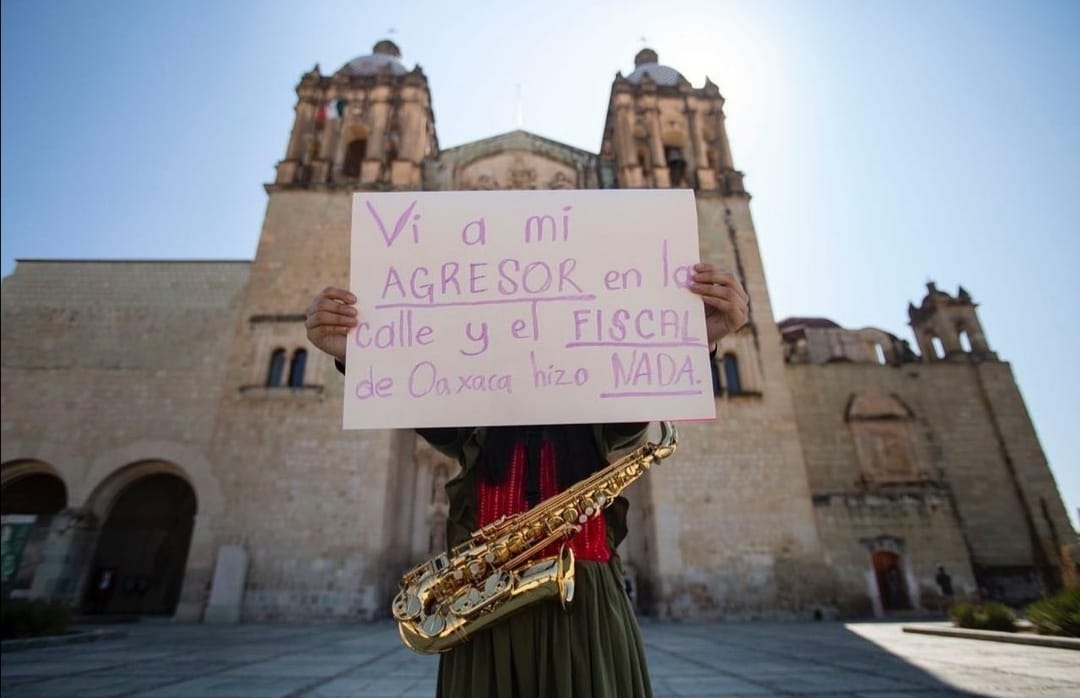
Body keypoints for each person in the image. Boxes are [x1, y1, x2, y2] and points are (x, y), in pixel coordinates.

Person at [305, 263, 749, 698]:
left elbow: (633, 413)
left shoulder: (596, 393)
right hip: (482, 605)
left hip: (586, 603)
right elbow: (421, 405)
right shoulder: (472, 404)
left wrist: (694, 340)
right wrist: (353, 352)